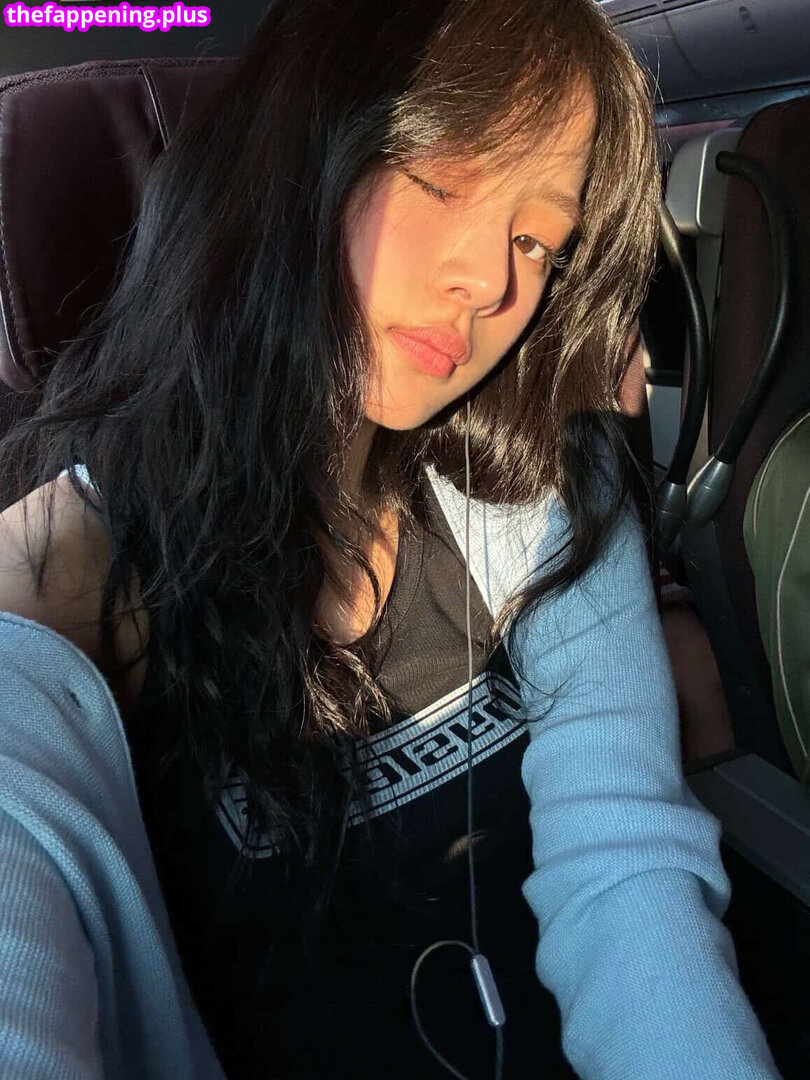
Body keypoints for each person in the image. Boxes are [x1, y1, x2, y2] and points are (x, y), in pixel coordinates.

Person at [0, 1, 783, 1078]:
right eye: (446, 174)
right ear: (297, 158)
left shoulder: (541, 486)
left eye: (536, 240)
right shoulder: (49, 599)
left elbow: (624, 865)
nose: (493, 283)